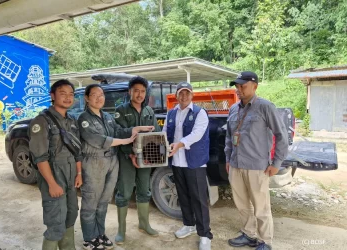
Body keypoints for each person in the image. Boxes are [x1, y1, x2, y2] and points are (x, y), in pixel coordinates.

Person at [77, 84, 154, 250]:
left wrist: (136, 129)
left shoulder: (107, 117)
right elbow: (97, 140)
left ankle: (100, 234)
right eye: (95, 95)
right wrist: (126, 141)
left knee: (104, 201)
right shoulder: (84, 118)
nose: (99, 98)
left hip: (111, 162)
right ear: (87, 98)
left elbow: (119, 131)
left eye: (102, 94)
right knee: (91, 201)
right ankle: (89, 238)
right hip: (93, 163)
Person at [225, 71, 289, 250]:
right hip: (236, 165)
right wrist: (228, 158)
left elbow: (281, 136)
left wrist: (276, 163)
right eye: (237, 86)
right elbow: (229, 138)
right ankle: (249, 234)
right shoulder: (233, 109)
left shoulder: (265, 107)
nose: (239, 89)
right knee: (242, 204)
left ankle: (265, 241)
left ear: (255, 86)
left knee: (261, 207)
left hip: (257, 167)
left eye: (243, 86)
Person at [29, 79, 82, 250]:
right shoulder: (42, 121)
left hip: (71, 175)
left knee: (71, 215)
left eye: (71, 94)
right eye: (62, 94)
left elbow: (77, 151)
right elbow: (40, 157)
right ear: (52, 96)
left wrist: (79, 173)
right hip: (53, 175)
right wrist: (52, 184)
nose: (68, 98)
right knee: (56, 222)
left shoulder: (72, 120)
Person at [163, 82, 213, 250]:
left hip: (195, 163)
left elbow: (197, 134)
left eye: (187, 93)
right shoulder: (171, 113)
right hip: (177, 162)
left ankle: (205, 234)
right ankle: (188, 224)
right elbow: (164, 133)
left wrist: (180, 144)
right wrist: (164, 144)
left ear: (192, 95)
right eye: (180, 93)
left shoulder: (200, 113)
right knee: (183, 195)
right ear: (176, 95)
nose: (183, 96)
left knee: (199, 199)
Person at [113, 76, 161, 244]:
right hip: (127, 157)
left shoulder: (149, 111)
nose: (139, 94)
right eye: (136, 91)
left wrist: (152, 155)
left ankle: (144, 224)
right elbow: (117, 133)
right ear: (130, 92)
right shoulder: (121, 110)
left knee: (144, 190)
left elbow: (156, 135)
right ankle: (121, 231)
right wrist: (133, 151)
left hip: (145, 159)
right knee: (124, 192)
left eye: (142, 91)